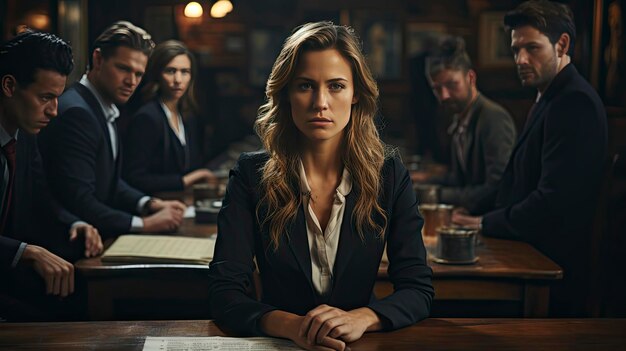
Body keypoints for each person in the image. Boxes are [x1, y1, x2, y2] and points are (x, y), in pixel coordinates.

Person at [208, 22, 434, 350]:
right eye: (305, 86)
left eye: (336, 86)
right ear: (286, 94)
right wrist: (293, 326)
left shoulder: (389, 174)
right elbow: (224, 294)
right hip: (280, 343)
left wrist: (364, 317)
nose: (320, 102)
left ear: (356, 93)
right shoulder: (250, 175)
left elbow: (418, 289)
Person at [453, 0, 608, 316]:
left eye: (532, 48)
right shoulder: (549, 95)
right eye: (515, 50)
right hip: (527, 255)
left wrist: (483, 223)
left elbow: (552, 205)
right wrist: (470, 210)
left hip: (552, 278)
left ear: (561, 44)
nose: (521, 59)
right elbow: (516, 182)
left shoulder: (574, 101)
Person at [38, 21, 186, 240]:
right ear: (98, 59)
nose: (131, 82)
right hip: (69, 247)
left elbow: (109, 182)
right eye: (124, 68)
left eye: (138, 74)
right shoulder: (77, 112)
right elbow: (79, 201)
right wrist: (143, 223)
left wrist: (149, 203)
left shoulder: (104, 106)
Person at [0, 31, 103, 320]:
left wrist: (76, 222)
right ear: (9, 86)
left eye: (57, 98)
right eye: (46, 97)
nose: (55, 111)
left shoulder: (27, 133)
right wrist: (24, 252)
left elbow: (42, 198)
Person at [416, 35, 516, 214]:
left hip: (489, 222)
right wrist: (424, 182)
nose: (444, 95)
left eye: (451, 85)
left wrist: (435, 195)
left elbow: (497, 188)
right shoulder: (460, 117)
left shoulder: (494, 118)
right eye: (437, 89)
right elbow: (459, 179)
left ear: (470, 78)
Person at [122, 40, 213, 194]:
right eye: (170, 71)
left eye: (185, 72)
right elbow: (134, 178)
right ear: (157, 74)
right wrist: (187, 180)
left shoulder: (187, 116)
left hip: (182, 203)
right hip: (155, 206)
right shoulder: (147, 117)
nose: (178, 80)